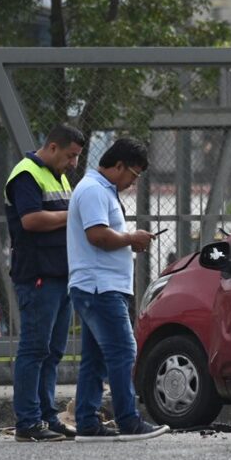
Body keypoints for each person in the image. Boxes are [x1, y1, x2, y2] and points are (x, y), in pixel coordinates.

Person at [67, 137, 169, 441]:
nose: (132, 182)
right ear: (119, 166)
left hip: (98, 286)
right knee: (124, 350)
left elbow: (103, 236)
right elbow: (97, 235)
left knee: (96, 358)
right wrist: (130, 238)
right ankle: (128, 421)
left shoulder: (100, 190)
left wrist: (129, 240)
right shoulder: (94, 190)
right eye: (133, 175)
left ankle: (86, 422)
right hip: (100, 288)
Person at [5, 124, 86, 442]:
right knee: (34, 349)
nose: (73, 164)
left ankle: (46, 416)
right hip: (38, 275)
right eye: (71, 156)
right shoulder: (26, 173)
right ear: (53, 147)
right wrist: (72, 214)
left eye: (76, 157)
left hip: (59, 275)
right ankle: (27, 422)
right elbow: (31, 220)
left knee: (52, 351)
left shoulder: (58, 175)